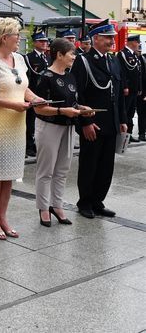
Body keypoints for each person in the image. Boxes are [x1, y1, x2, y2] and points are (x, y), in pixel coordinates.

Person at [0, 17, 43, 240]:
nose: (20, 39)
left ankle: (3, 217)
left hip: (17, 124)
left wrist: (36, 99)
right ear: (4, 37)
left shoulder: (19, 59)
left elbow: (24, 88)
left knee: (9, 176)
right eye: (17, 34)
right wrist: (12, 104)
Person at [70, 19, 126, 219]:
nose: (112, 41)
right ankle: (84, 201)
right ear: (95, 38)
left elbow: (118, 93)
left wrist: (122, 119)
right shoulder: (83, 60)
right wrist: (85, 122)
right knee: (89, 164)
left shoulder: (113, 60)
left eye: (112, 37)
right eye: (108, 37)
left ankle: (97, 201)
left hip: (111, 122)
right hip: (93, 122)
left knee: (106, 166)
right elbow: (77, 94)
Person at [33, 38, 93, 226]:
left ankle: (56, 205)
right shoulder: (45, 77)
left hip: (67, 126)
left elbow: (71, 103)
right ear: (59, 54)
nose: (74, 57)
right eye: (71, 53)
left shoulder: (70, 76)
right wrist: (61, 111)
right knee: (46, 170)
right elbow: (38, 108)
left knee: (62, 170)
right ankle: (43, 208)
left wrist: (83, 108)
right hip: (49, 126)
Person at [24, 29, 50, 157]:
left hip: (45, 95)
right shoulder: (29, 58)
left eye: (45, 41)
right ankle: (29, 145)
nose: (44, 43)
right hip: (32, 94)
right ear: (34, 43)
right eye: (41, 41)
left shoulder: (48, 58)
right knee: (30, 121)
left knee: (42, 122)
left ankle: (37, 145)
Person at [117, 34, 142, 143]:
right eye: (137, 42)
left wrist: (139, 88)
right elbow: (122, 73)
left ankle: (129, 134)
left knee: (131, 113)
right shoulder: (122, 54)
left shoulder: (134, 55)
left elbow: (138, 73)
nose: (138, 45)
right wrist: (125, 86)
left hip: (134, 89)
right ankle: (122, 134)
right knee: (125, 112)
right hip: (127, 90)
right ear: (132, 42)